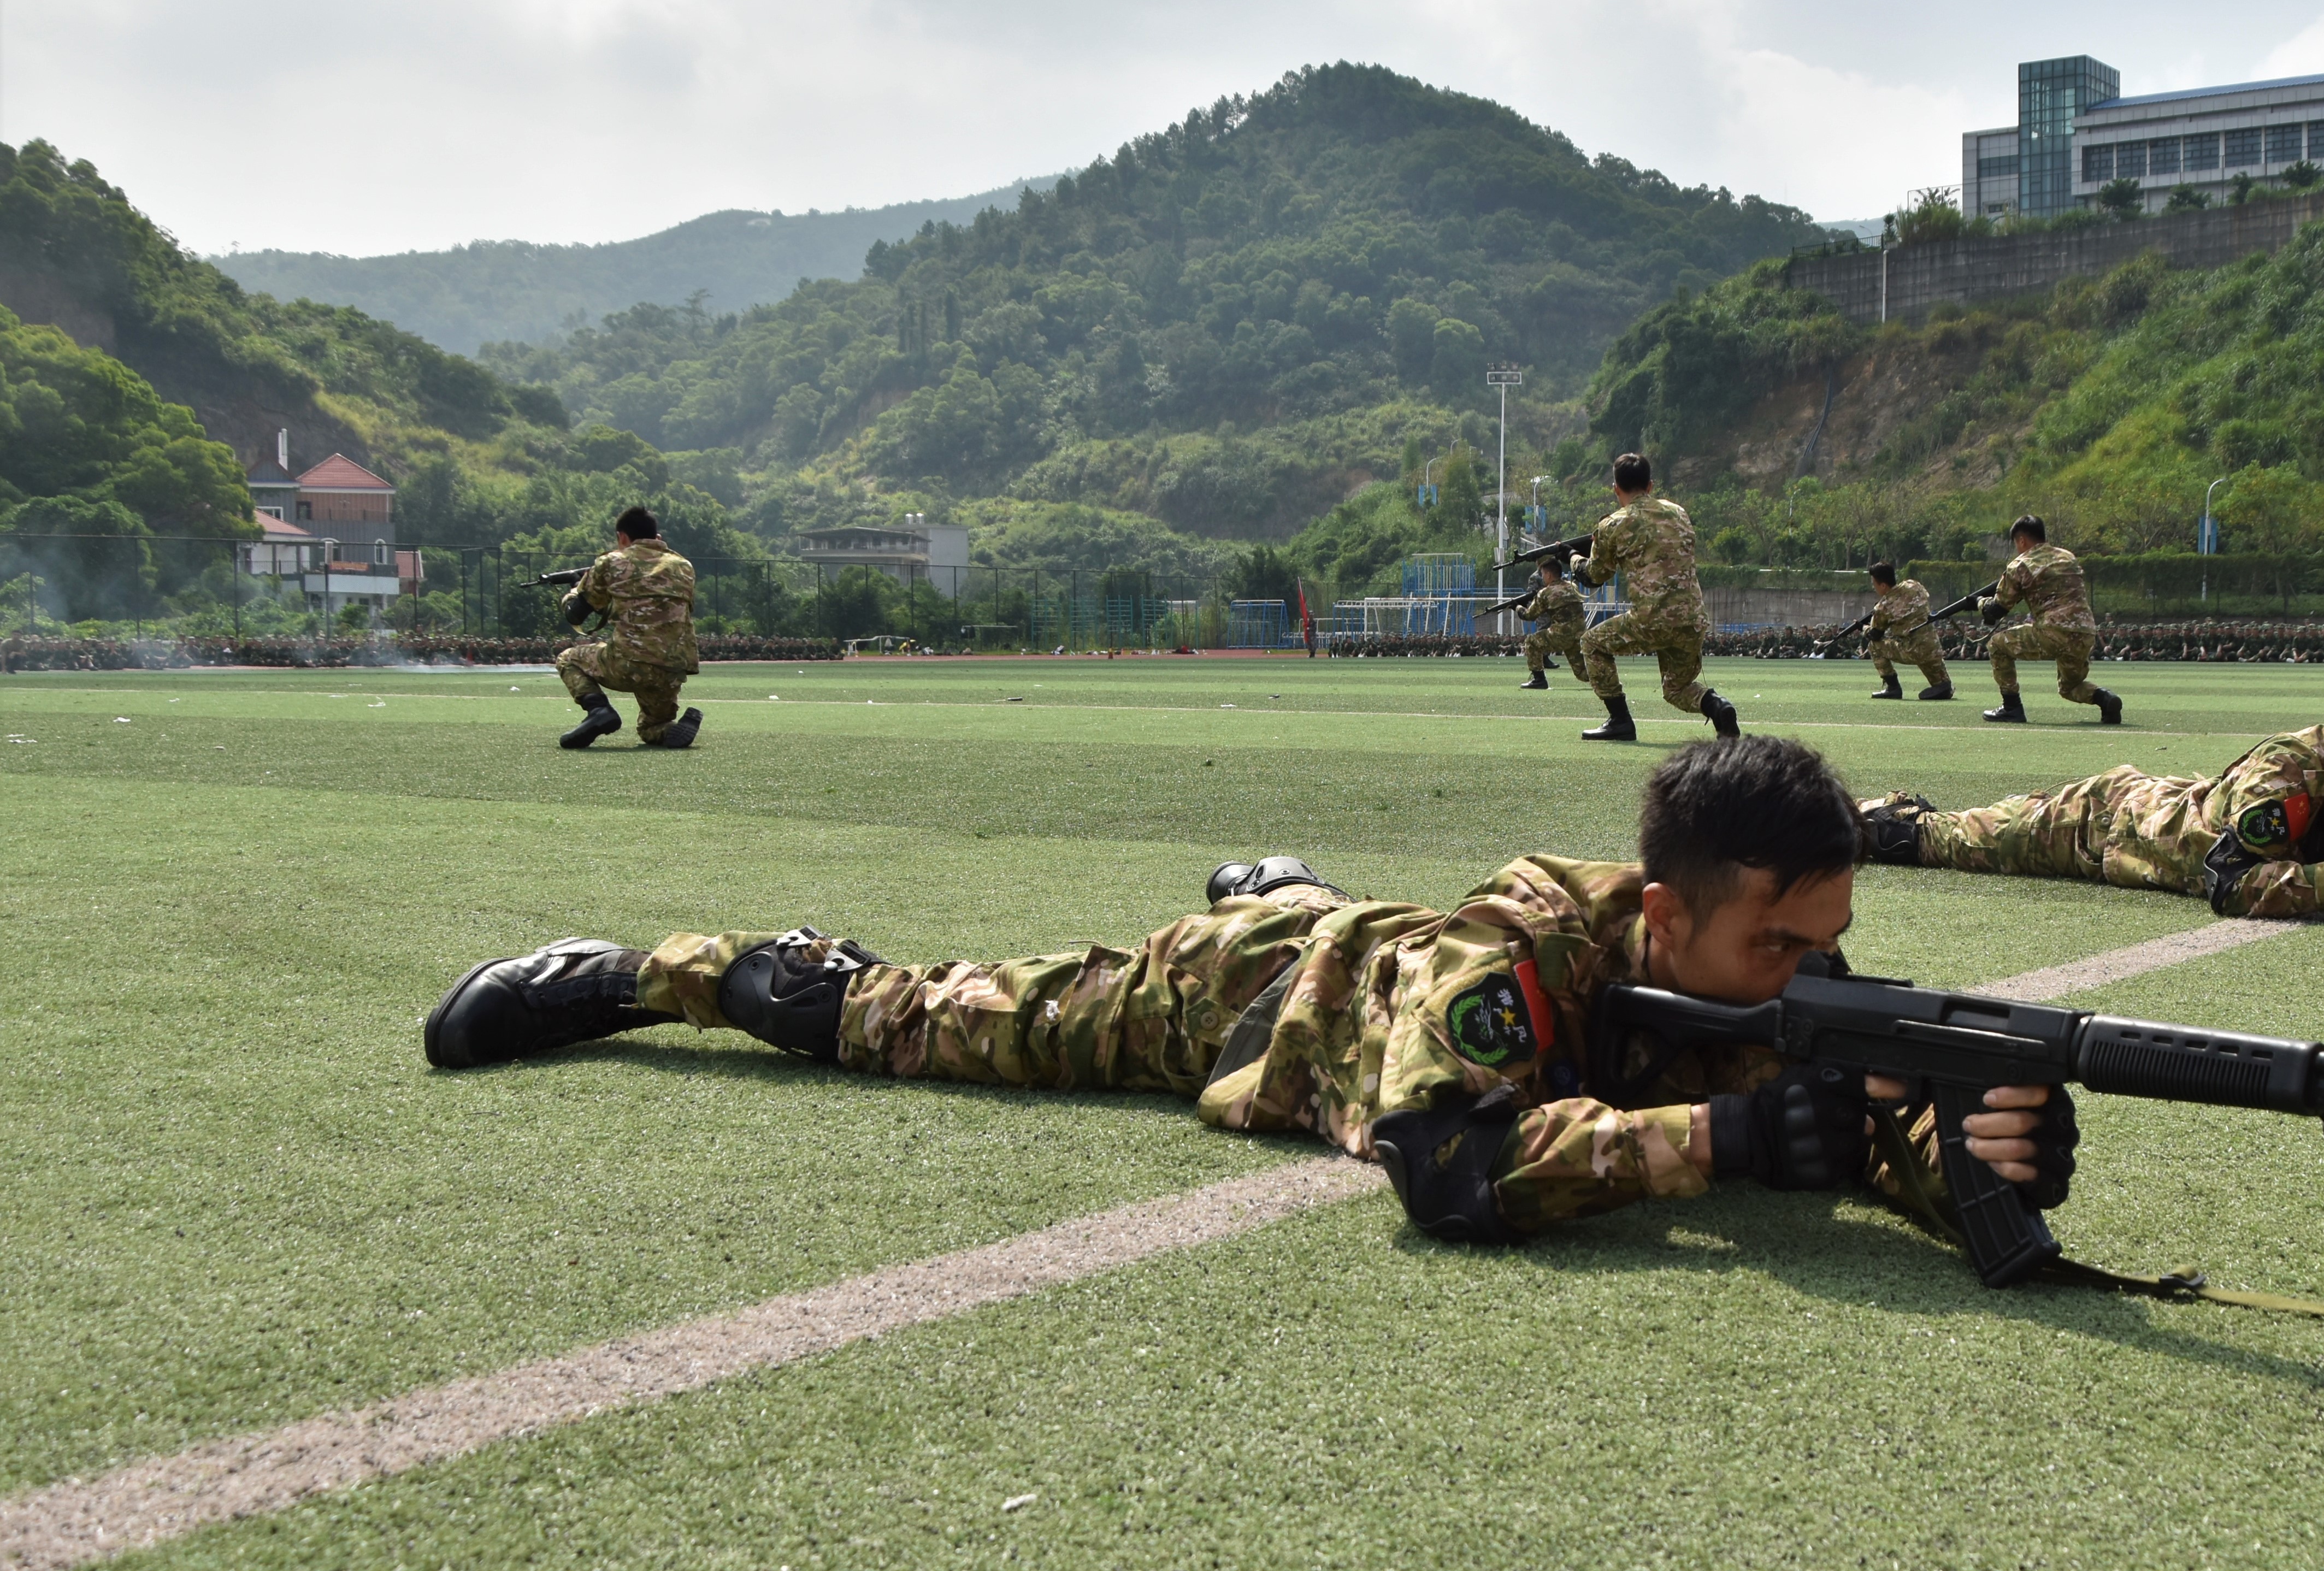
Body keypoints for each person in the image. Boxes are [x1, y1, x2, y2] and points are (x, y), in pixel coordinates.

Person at [422, 739, 2071, 1247]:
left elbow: (1837, 1129)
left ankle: (1283, 877)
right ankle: (655, 970)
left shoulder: (1785, 958)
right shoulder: (1511, 956)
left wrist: (1971, 1162)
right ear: (1661, 910)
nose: (1808, 974)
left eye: (1821, 943)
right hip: (1253, 1005)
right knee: (915, 1018)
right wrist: (1720, 1144)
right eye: (1777, 949)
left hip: (1366, 949)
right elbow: (1447, 1166)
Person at [1853, 688, 2324, 928]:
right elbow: (2229, 883)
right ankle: (1873, 818)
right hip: (2109, 823)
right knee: (1946, 842)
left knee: (1961, 830)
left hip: (2165, 803)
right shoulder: (2286, 776)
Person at [1577, 452, 1736, 743]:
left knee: (1591, 644)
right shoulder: (1679, 512)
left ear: (1616, 489)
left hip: (1651, 620)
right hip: (1693, 619)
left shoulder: (1612, 525)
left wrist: (1575, 560)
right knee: (1676, 689)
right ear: (1650, 486)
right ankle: (1718, 706)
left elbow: (1594, 577)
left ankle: (1620, 720)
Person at [553, 506, 701, 750]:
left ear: (622, 537)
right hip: (671, 670)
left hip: (628, 664)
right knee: (651, 728)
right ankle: (671, 729)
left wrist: (574, 590)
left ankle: (599, 711)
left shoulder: (612, 562)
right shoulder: (684, 566)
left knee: (567, 659)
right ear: (657, 537)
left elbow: (576, 614)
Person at [1979, 516, 2121, 727]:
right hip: (2085, 632)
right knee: (2069, 688)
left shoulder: (2020, 565)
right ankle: (2106, 700)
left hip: (2052, 632)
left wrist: (1979, 603)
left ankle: (2011, 708)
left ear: (2021, 541)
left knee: (1997, 645)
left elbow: (1997, 610)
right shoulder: (2068, 557)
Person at [1861, 562, 1954, 702]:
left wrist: (1864, 628)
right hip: (1933, 647)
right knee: (1939, 681)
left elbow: (1876, 635)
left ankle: (1892, 688)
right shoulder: (1913, 585)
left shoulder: (1883, 607)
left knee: (1875, 647)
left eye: (1874, 584)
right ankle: (1943, 685)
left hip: (1912, 650)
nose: (1874, 588)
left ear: (1883, 585)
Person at [1506, 550, 1588, 691]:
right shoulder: (1573, 587)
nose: (1542, 577)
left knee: (1532, 642)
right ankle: (1604, 678)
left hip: (1561, 635)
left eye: (1543, 574)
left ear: (1549, 575)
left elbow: (1529, 615)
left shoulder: (1545, 593)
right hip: (1579, 635)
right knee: (1582, 673)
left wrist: (1517, 607)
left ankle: (1539, 680)